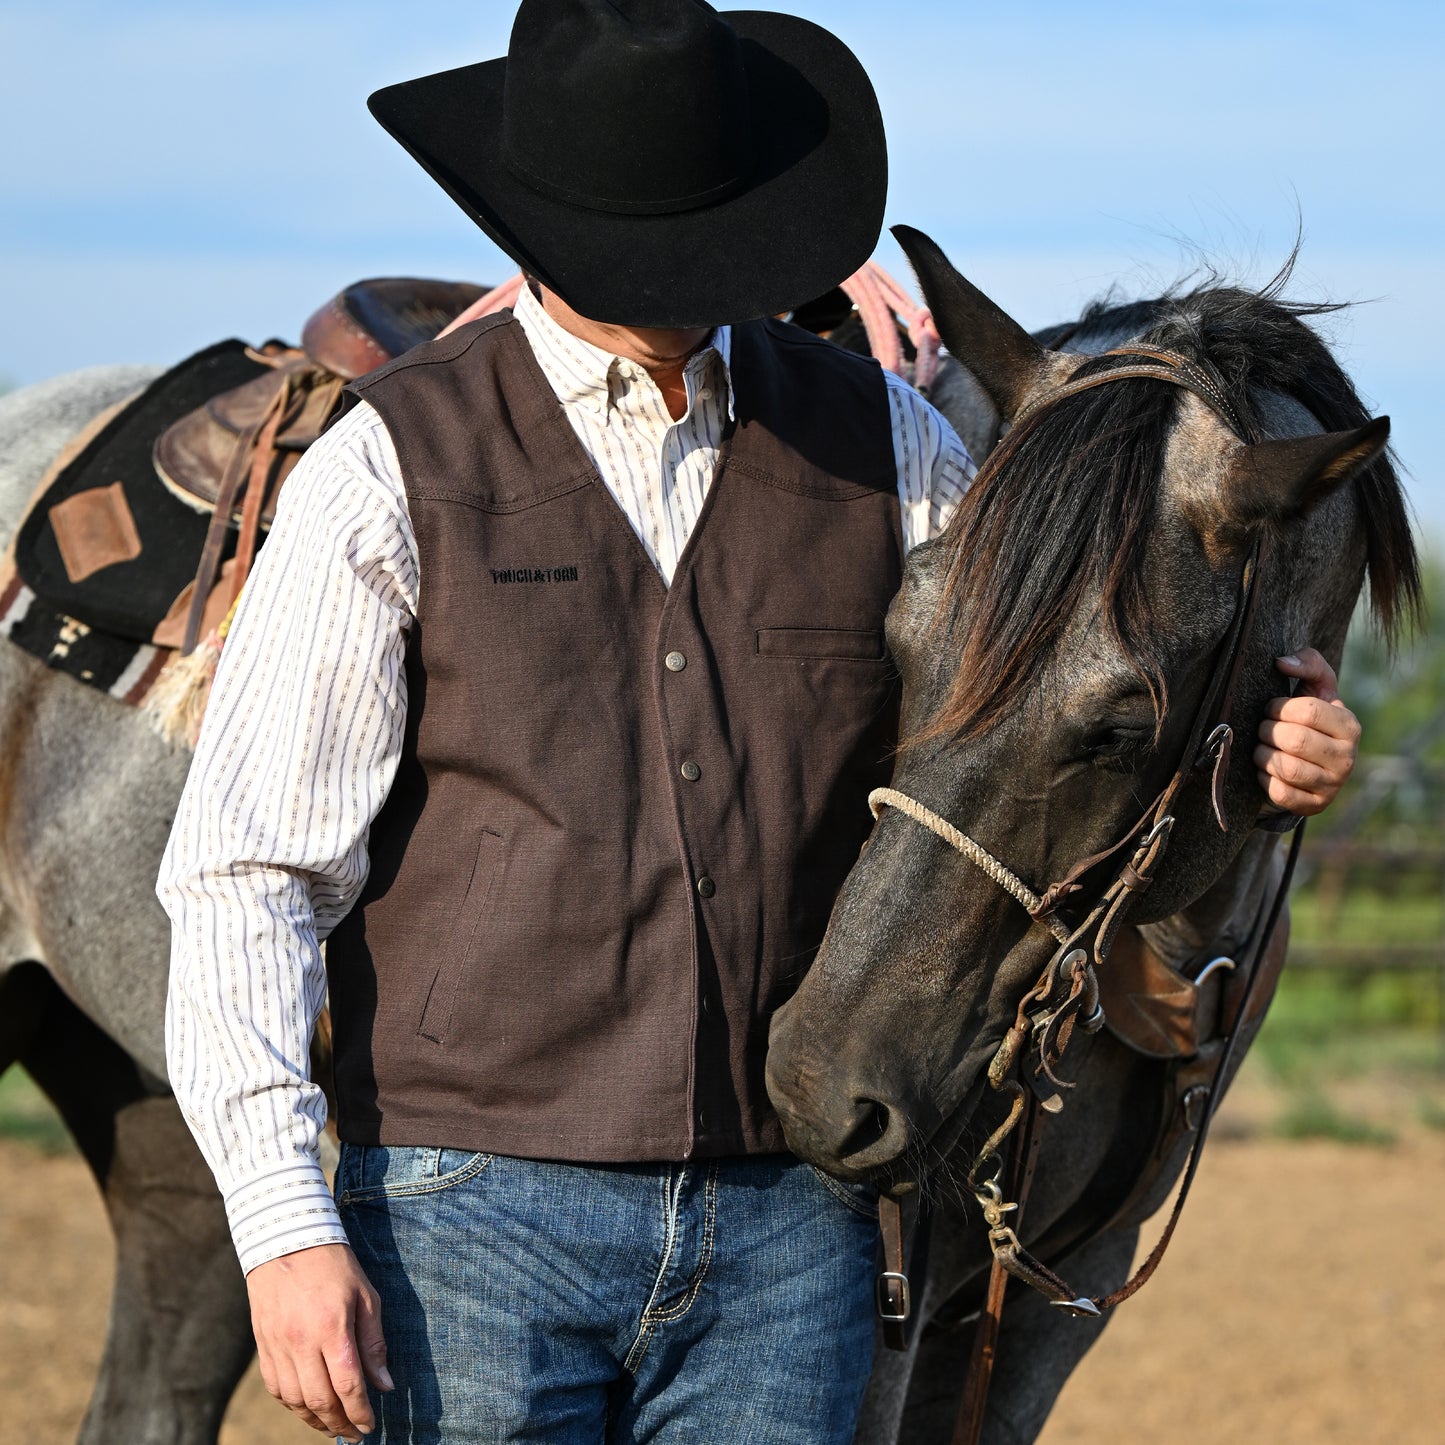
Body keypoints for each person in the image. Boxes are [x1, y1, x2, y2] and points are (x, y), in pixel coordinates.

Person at [157, 3, 1362, 1442]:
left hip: (791, 1224)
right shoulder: (386, 469)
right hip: (469, 1217)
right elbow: (247, 875)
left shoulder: (896, 445)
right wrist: (286, 1227)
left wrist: (1273, 741)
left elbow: (1063, 700)